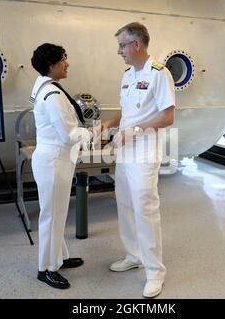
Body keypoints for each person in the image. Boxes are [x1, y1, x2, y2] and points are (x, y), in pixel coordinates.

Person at [102, 22, 176, 298]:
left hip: (144, 154)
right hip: (125, 152)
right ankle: (133, 254)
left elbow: (168, 116)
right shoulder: (127, 75)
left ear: (137, 45)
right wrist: (108, 123)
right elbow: (127, 113)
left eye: (122, 45)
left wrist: (134, 131)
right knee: (124, 204)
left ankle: (155, 271)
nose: (119, 51)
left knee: (146, 209)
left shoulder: (159, 74)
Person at [29, 43, 93, 289]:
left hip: (55, 160)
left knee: (57, 214)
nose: (67, 63)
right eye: (63, 59)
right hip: (54, 161)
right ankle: (45, 268)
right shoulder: (52, 95)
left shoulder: (45, 84)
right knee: (51, 216)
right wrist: (91, 133)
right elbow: (68, 134)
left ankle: (60, 257)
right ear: (50, 65)